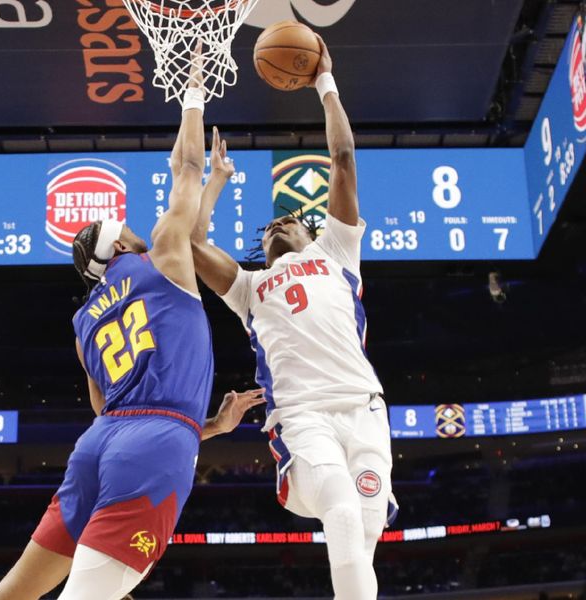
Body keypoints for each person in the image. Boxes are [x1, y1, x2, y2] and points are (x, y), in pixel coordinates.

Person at [0, 48, 264, 600]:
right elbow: (185, 170)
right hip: (153, 444)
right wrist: (193, 96)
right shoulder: (161, 252)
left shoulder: (84, 320)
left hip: (99, 445)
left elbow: (107, 410)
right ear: (122, 243)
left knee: (9, 594)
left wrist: (207, 427)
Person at [190, 37, 396, 600]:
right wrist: (213, 184)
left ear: (312, 232)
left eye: (289, 221)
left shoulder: (337, 252)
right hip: (302, 417)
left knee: (366, 526)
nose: (277, 225)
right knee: (339, 505)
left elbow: (344, 160)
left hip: (364, 408)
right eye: (267, 229)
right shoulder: (248, 286)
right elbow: (188, 240)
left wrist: (325, 84)